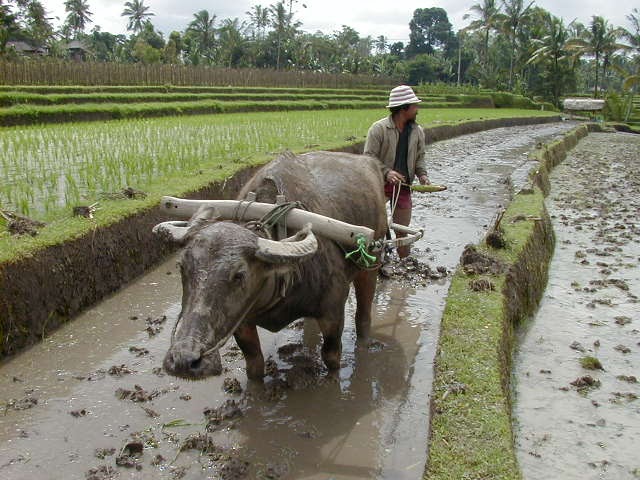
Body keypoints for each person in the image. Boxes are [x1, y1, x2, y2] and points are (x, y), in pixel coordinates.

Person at [364, 85, 430, 258]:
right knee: (372, 229)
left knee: (402, 231)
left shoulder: (417, 132)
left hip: (403, 186)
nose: (417, 109)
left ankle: (405, 264)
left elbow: (420, 157)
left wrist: (422, 174)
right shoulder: (378, 129)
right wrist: (387, 172)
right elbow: (368, 158)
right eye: (415, 106)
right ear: (404, 109)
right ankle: (372, 262)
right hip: (378, 186)